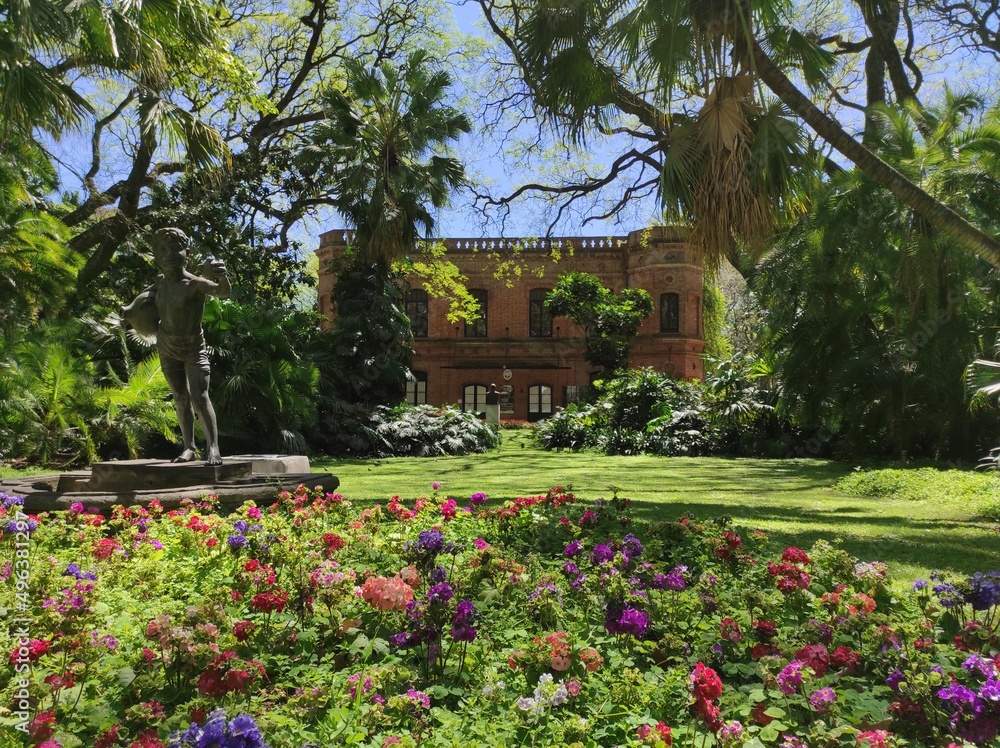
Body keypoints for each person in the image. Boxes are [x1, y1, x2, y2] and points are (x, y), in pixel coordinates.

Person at [130, 227, 230, 465]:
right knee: (180, 397)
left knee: (200, 396)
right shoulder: (160, 282)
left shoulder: (195, 284)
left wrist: (223, 276)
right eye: (162, 250)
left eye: (175, 249)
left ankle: (213, 447)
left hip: (193, 348)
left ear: (187, 252)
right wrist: (130, 311)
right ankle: (189, 448)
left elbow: (222, 293)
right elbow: (145, 297)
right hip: (167, 347)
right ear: (156, 255)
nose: (169, 255)